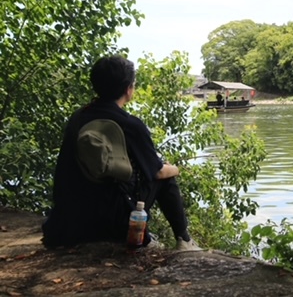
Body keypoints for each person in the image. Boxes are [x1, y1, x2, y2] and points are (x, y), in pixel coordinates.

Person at [42, 55, 202, 251]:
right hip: (112, 225)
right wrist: (175, 168)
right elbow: (158, 173)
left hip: (68, 224)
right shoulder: (130, 125)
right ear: (128, 89)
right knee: (166, 177)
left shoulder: (78, 117)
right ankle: (184, 242)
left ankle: (153, 236)